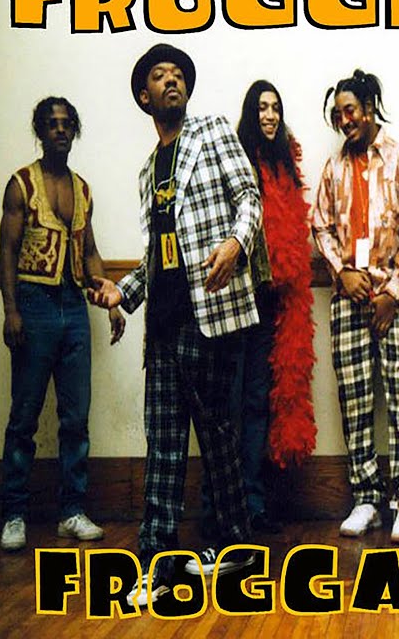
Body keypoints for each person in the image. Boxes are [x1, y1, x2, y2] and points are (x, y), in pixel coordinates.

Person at [87, 44, 262, 607]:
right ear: (144, 96)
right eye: (160, 76)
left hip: (210, 317)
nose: (172, 81)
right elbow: (157, 258)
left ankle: (238, 546)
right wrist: (122, 291)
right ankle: (156, 560)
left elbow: (249, 197)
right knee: (162, 446)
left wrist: (236, 243)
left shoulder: (212, 132)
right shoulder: (148, 172)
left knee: (218, 440)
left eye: (179, 74)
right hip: (161, 329)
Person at [0, 96, 125, 552]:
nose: (60, 130)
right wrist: (11, 310)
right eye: (51, 123)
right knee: (24, 416)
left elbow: (89, 251)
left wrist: (111, 302)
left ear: (75, 130)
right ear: (40, 130)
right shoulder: (21, 184)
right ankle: (14, 513)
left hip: (74, 306)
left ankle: (72, 510)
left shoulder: (82, 189)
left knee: (75, 416)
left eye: (67, 123)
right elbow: (7, 250)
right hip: (33, 304)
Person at [311, 69, 399, 543]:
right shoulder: (333, 167)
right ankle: (366, 499)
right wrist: (342, 271)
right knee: (354, 401)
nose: (345, 121)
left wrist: (391, 295)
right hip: (348, 299)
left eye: (351, 111)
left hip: (393, 302)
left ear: (370, 107)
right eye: (338, 114)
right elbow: (319, 224)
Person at [200, 80, 317, 537]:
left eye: (275, 108)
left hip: (271, 303)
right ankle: (220, 506)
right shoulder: (235, 158)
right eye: (262, 108)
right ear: (251, 113)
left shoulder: (286, 165)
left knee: (256, 404)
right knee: (227, 406)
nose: (269, 115)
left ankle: (252, 502)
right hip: (236, 300)